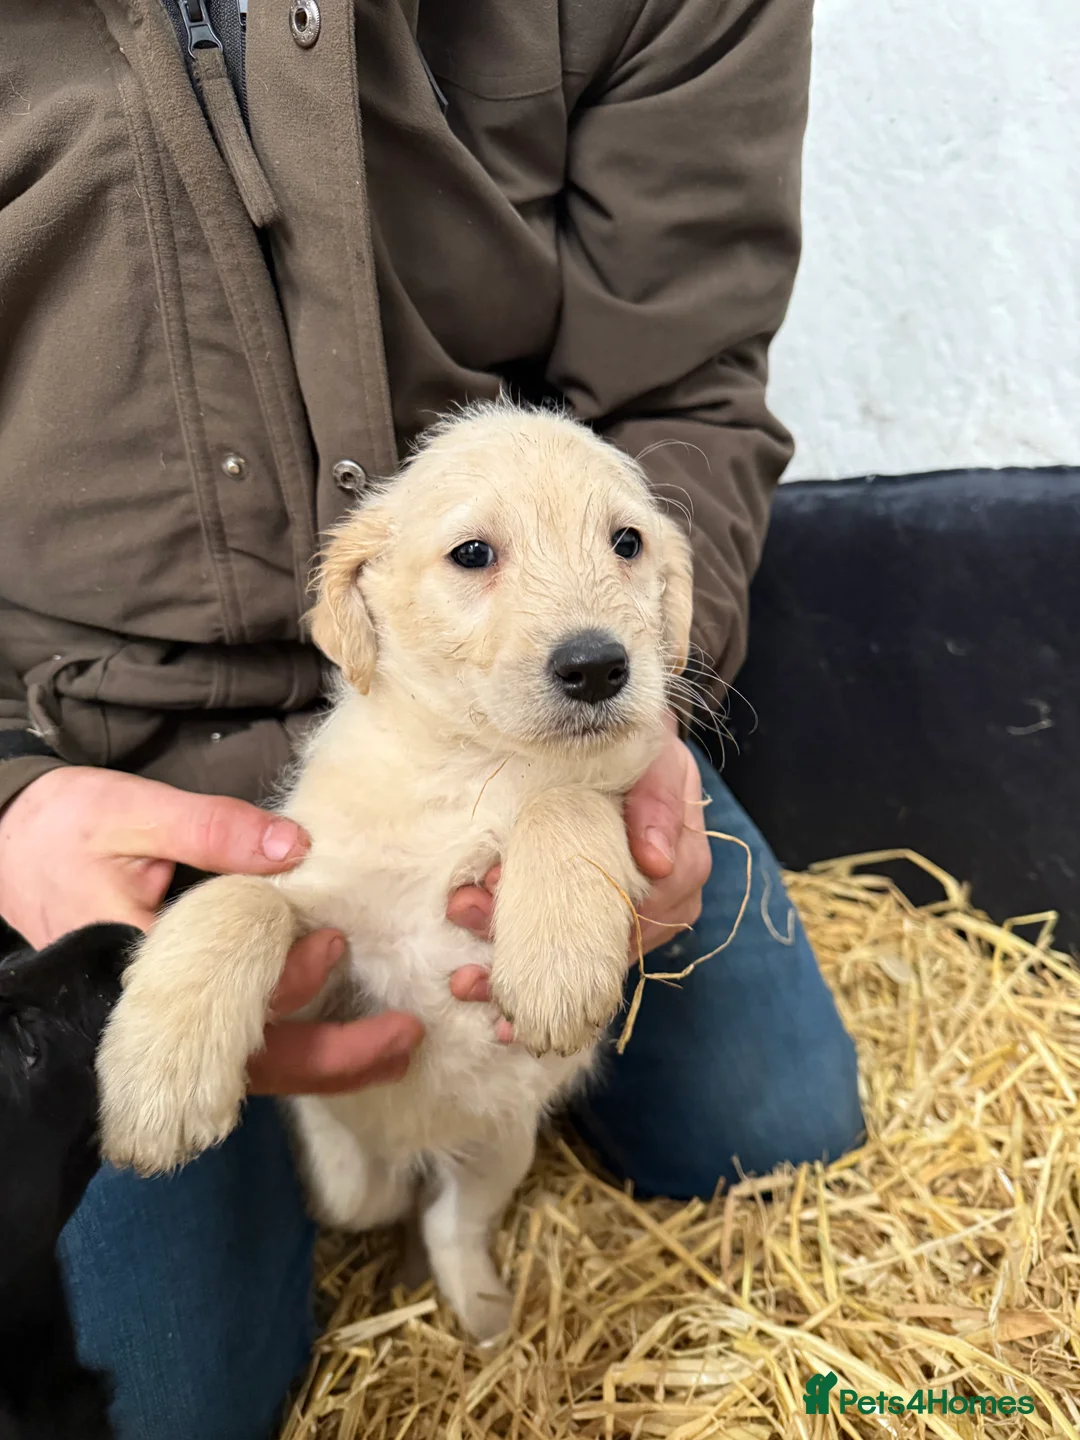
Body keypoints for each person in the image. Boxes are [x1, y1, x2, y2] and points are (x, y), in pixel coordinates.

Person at [0, 1, 863, 1436]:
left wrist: (632, 753)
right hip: (94, 743)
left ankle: (454, 1198)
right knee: (147, 1390)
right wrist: (10, 794)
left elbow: (679, 398)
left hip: (538, 732)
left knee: (777, 1137)